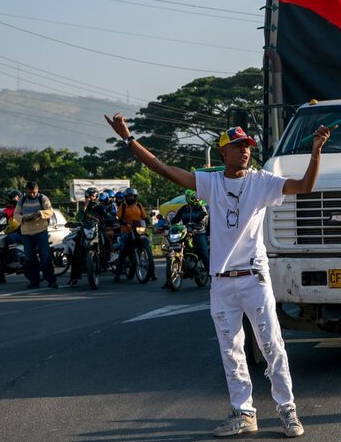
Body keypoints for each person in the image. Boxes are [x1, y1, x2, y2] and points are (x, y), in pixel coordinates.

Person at [105, 113, 329, 438]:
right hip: (222, 283)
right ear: (223, 152)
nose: (245, 151)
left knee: (272, 346)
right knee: (230, 349)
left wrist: (316, 151)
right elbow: (164, 169)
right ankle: (244, 412)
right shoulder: (210, 183)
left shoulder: (262, 182)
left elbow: (305, 186)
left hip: (254, 279)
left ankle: (287, 410)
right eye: (237, 146)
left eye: (247, 146)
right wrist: (128, 138)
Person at [68, 187, 118, 286]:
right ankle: (74, 277)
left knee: (105, 237)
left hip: (98, 229)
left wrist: (113, 219)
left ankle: (109, 255)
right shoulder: (84, 208)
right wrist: (84, 208)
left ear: (96, 197)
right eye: (87, 196)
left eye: (92, 196)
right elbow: (79, 218)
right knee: (76, 250)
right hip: (85, 230)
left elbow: (107, 216)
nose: (89, 198)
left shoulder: (100, 207)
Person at [162, 188, 209, 289]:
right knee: (171, 250)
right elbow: (175, 219)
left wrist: (199, 226)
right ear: (189, 198)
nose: (197, 199)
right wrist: (168, 224)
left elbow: (204, 218)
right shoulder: (183, 209)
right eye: (194, 197)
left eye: (198, 197)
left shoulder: (202, 208)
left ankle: (212, 277)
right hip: (185, 232)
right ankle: (169, 279)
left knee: (204, 253)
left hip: (199, 233)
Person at [14, 181, 58, 289]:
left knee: (45, 257)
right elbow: (16, 214)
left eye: (34, 192)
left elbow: (50, 211)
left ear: (37, 189)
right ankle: (34, 281)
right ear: (26, 191)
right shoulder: (22, 200)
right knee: (29, 258)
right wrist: (24, 218)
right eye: (30, 192)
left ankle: (51, 281)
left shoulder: (43, 198)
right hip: (27, 233)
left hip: (41, 231)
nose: (32, 194)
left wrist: (40, 213)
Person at [114, 187, 156, 283]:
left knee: (147, 244)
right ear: (126, 197)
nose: (130, 198)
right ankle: (117, 274)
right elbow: (118, 218)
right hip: (127, 230)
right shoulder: (123, 206)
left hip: (138, 230)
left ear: (135, 197)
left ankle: (152, 272)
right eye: (128, 196)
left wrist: (149, 224)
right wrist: (123, 223)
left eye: (132, 196)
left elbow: (144, 217)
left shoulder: (139, 206)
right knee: (123, 250)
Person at [0, 189, 23, 284]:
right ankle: (1, 277)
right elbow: (6, 215)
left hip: (22, 233)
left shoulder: (19, 208)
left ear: (15, 199)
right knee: (2, 253)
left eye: (8, 199)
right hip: (14, 232)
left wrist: (5, 214)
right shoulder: (10, 209)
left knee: (10, 238)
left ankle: (16, 260)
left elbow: (9, 212)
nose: (6, 201)